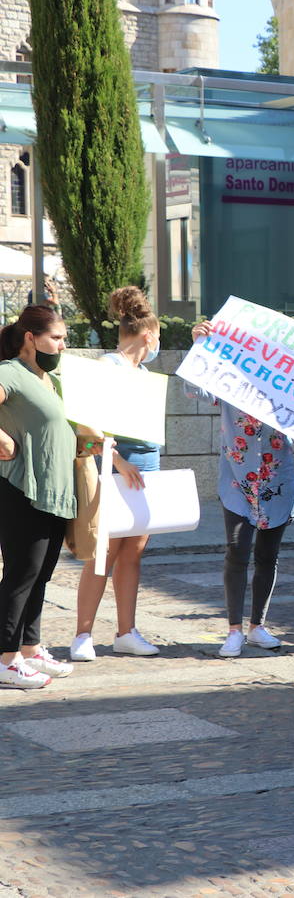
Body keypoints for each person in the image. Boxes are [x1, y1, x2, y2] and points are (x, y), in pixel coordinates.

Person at [189, 320, 294, 659]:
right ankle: (234, 630)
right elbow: (195, 389)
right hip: (238, 479)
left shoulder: (286, 384)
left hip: (277, 479)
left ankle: (257, 625)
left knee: (268, 555)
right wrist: (199, 346)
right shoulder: (228, 379)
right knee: (237, 551)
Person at [70, 287, 163, 661]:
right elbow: (86, 428)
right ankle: (82, 634)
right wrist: (117, 462)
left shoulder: (142, 371)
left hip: (146, 468)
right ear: (148, 334)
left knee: (133, 552)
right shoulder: (108, 366)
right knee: (104, 552)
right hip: (115, 470)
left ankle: (126, 631)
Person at [0, 306, 89, 688]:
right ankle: (6, 659)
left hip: (57, 490)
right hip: (23, 488)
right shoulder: (10, 372)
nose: (62, 345)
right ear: (29, 338)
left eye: (64, 338)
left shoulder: (49, 379)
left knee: (41, 575)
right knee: (21, 574)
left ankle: (31, 649)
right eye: (56, 337)